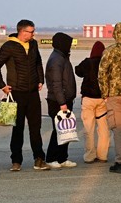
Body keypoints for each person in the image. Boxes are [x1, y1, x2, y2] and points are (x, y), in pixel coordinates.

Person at [0, 19, 50, 172]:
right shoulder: (9, 46)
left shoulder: (34, 44)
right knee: (18, 129)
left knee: (35, 128)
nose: (33, 34)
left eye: (33, 31)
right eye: (30, 32)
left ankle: (39, 159)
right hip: (16, 92)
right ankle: (16, 161)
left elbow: (38, 62)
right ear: (22, 32)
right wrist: (2, 85)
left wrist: (40, 79)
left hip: (32, 93)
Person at [99, 22, 121, 173]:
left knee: (119, 129)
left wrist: (104, 93)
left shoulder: (110, 51)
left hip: (115, 94)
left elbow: (102, 73)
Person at [45, 32, 77, 169]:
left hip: (65, 100)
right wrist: (62, 103)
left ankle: (62, 158)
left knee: (66, 130)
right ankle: (51, 158)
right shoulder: (57, 59)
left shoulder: (62, 57)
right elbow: (56, 84)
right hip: (58, 101)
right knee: (58, 130)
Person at [75, 41, 110, 164]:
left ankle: (90, 155)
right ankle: (103, 155)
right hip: (103, 100)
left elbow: (77, 71)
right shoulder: (105, 63)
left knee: (89, 128)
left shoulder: (87, 62)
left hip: (88, 100)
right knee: (103, 129)